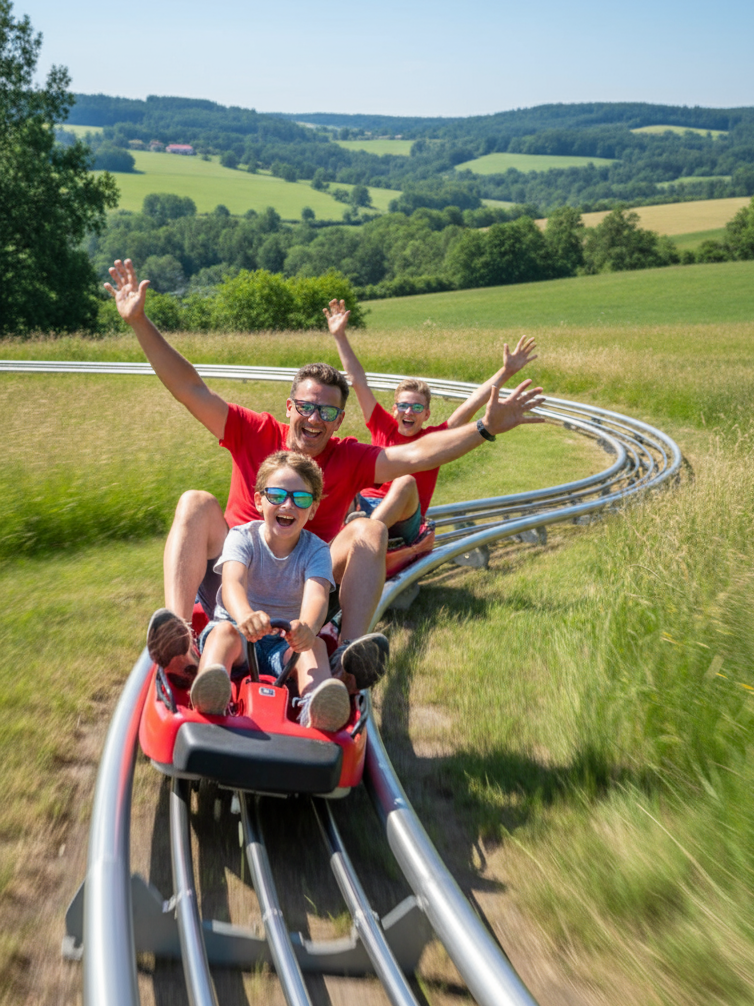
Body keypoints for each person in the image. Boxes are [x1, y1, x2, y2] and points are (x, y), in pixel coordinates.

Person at [105, 258, 546, 694]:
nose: (315, 419)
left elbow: (416, 454)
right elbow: (190, 389)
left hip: (309, 579)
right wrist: (141, 322)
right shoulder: (252, 430)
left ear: (338, 421)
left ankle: (346, 657)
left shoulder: (349, 457)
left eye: (328, 411)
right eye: (307, 407)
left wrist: (484, 428)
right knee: (195, 501)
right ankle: (179, 640)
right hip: (237, 566)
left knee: (370, 529)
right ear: (290, 408)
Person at [325, 297, 537, 543]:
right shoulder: (381, 426)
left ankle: (364, 536)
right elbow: (358, 380)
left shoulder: (436, 438)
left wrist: (507, 371)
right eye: (403, 406)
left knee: (405, 481)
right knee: (343, 473)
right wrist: (339, 335)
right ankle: (341, 531)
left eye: (416, 407)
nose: (409, 412)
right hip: (364, 504)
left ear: (426, 414)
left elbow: (474, 401)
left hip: (404, 516)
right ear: (394, 409)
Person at [180, 450, 350, 731]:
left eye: (301, 499)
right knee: (223, 634)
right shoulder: (242, 537)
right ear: (259, 500)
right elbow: (233, 581)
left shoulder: (317, 550)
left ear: (313, 509)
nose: (288, 504)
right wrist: (245, 614)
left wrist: (307, 626)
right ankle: (211, 686)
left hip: (286, 644)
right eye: (277, 495)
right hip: (238, 632)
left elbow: (317, 594)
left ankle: (318, 704)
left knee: (314, 646)